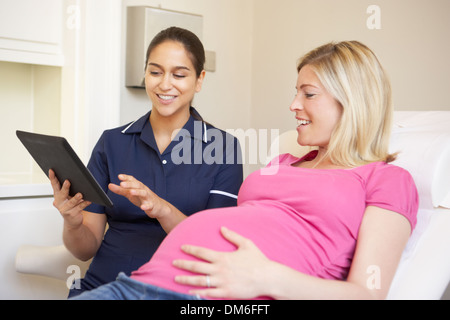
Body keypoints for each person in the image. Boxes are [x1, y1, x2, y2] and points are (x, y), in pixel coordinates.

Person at [70, 41, 418, 300]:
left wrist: (268, 278)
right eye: (296, 92)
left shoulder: (386, 179)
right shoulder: (283, 163)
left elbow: (368, 294)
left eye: (308, 94)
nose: (293, 105)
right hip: (138, 283)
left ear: (353, 102)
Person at [50, 27, 243, 297]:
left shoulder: (223, 148)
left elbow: (213, 249)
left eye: (179, 74)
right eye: (155, 72)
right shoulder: (112, 143)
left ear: (199, 80)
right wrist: (71, 222)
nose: (165, 84)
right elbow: (85, 249)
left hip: (173, 289)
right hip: (103, 286)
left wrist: (162, 209)